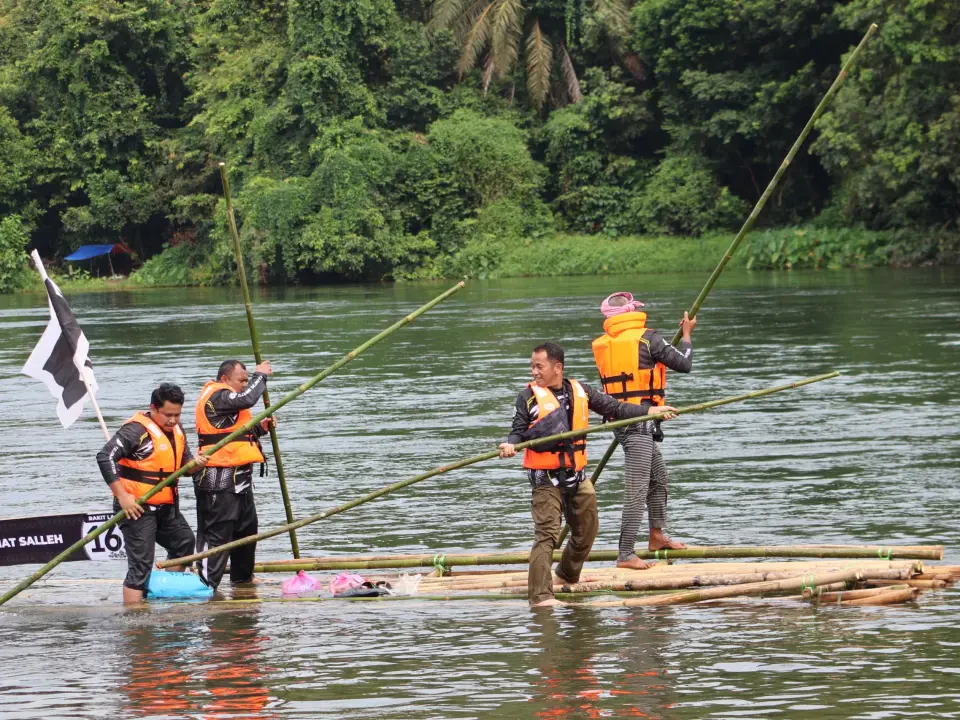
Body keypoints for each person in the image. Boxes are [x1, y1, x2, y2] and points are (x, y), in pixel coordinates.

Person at [498, 342, 676, 607]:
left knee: (587, 530)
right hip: (545, 479)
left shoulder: (581, 391)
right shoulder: (528, 398)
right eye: (532, 366)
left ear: (557, 367)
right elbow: (517, 431)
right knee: (547, 535)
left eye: (539, 366)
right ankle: (541, 597)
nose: (534, 372)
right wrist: (510, 445)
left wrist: (649, 411)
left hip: (576, 475)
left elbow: (616, 408)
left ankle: (566, 574)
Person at [591, 292, 696, 570]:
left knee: (659, 477)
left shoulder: (603, 344)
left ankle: (656, 536)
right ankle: (625, 554)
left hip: (622, 422)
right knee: (637, 490)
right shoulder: (649, 339)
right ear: (632, 312)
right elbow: (684, 364)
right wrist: (686, 335)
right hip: (639, 424)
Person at [97, 383, 208, 604]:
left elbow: (185, 465)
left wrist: (196, 465)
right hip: (137, 508)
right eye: (168, 415)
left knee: (184, 543)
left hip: (167, 506)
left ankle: (166, 595)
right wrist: (122, 496)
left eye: (177, 415)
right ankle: (134, 617)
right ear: (154, 408)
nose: (173, 420)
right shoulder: (135, 431)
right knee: (141, 566)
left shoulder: (177, 429)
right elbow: (104, 456)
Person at [193, 359, 275, 590]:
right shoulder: (217, 396)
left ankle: (243, 580)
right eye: (241, 380)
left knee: (247, 532)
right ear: (225, 379)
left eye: (247, 381)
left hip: (241, 480)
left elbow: (232, 434)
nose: (244, 385)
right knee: (218, 537)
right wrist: (260, 375)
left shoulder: (228, 401)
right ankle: (206, 586)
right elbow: (247, 399)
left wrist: (260, 428)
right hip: (218, 482)